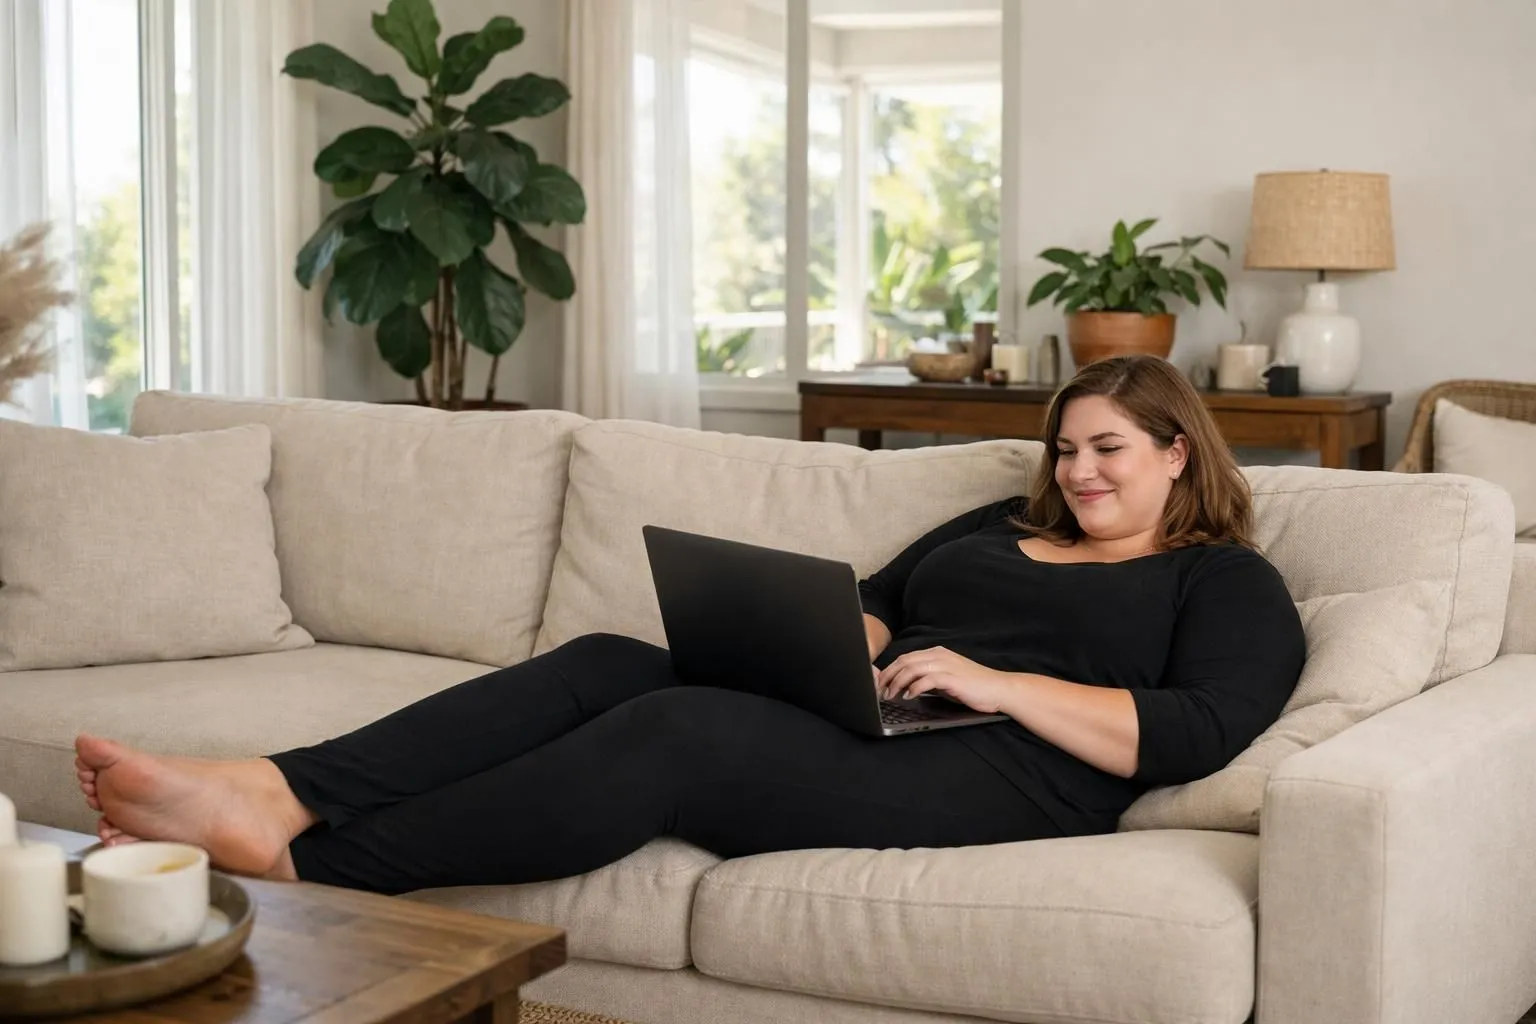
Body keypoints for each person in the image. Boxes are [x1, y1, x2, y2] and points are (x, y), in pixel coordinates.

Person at [73, 355, 1305, 895]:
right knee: (609, 659)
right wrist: (845, 642)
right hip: (887, 718)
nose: (1079, 472)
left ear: (1175, 451)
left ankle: (317, 869)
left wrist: (999, 682)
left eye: (1108, 449)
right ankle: (280, 788)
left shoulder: (1219, 578)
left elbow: (1199, 729)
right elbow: (880, 598)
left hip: (1006, 772)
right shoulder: (999, 522)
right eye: (1067, 448)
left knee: (680, 733)